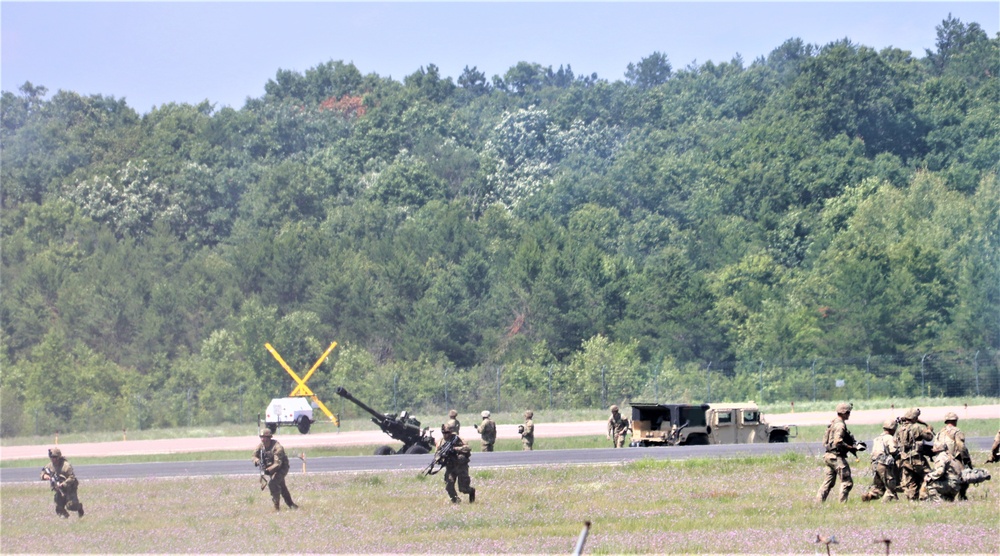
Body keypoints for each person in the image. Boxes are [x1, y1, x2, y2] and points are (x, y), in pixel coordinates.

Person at [816, 402, 865, 503]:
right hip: (836, 457)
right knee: (847, 482)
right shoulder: (840, 425)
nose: (849, 414)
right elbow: (838, 441)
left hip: (828, 456)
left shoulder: (833, 423)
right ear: (844, 413)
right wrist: (851, 447)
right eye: (848, 412)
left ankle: (818, 503)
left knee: (828, 482)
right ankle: (842, 505)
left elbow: (825, 441)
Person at [252, 429, 298, 511]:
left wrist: (267, 470)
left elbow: (277, 463)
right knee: (282, 487)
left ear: (269, 438)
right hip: (270, 468)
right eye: (261, 437)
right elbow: (254, 456)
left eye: (265, 437)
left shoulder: (277, 447)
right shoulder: (261, 446)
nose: (263, 439)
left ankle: (276, 507)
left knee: (272, 484)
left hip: (281, 468)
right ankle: (292, 505)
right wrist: (258, 461)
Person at [894, 408, 934, 501]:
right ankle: (923, 495)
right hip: (916, 458)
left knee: (911, 480)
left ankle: (912, 499)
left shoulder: (900, 429)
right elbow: (929, 437)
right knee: (929, 476)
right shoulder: (916, 427)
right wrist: (929, 429)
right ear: (914, 418)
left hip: (904, 459)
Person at [434, 422, 475, 503]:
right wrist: (439, 459)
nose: (445, 435)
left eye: (447, 433)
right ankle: (456, 501)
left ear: (451, 432)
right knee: (449, 486)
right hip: (450, 467)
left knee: (463, 488)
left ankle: (472, 492)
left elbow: (468, 448)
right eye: (444, 433)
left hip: (461, 466)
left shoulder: (457, 438)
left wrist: (455, 449)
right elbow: (437, 454)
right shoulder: (441, 442)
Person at [936, 411, 973, 500]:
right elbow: (961, 446)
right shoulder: (957, 431)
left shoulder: (940, 432)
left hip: (941, 459)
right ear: (955, 421)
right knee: (964, 478)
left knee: (944, 478)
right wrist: (967, 460)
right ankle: (962, 496)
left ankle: (945, 497)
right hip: (954, 459)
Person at [862, 419, 900, 502]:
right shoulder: (889, 438)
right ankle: (885, 504)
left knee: (879, 487)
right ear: (892, 429)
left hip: (875, 464)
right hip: (884, 464)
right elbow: (893, 451)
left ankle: (869, 496)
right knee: (891, 487)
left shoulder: (877, 438)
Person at [40, 447, 84, 518]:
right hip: (58, 489)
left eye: (54, 457)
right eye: (51, 457)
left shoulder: (66, 466)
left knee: (71, 506)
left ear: (58, 457)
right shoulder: (50, 466)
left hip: (69, 488)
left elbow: (71, 477)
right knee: (59, 507)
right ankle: (65, 519)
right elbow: (43, 472)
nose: (52, 459)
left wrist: (63, 484)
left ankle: (79, 507)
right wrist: (45, 476)